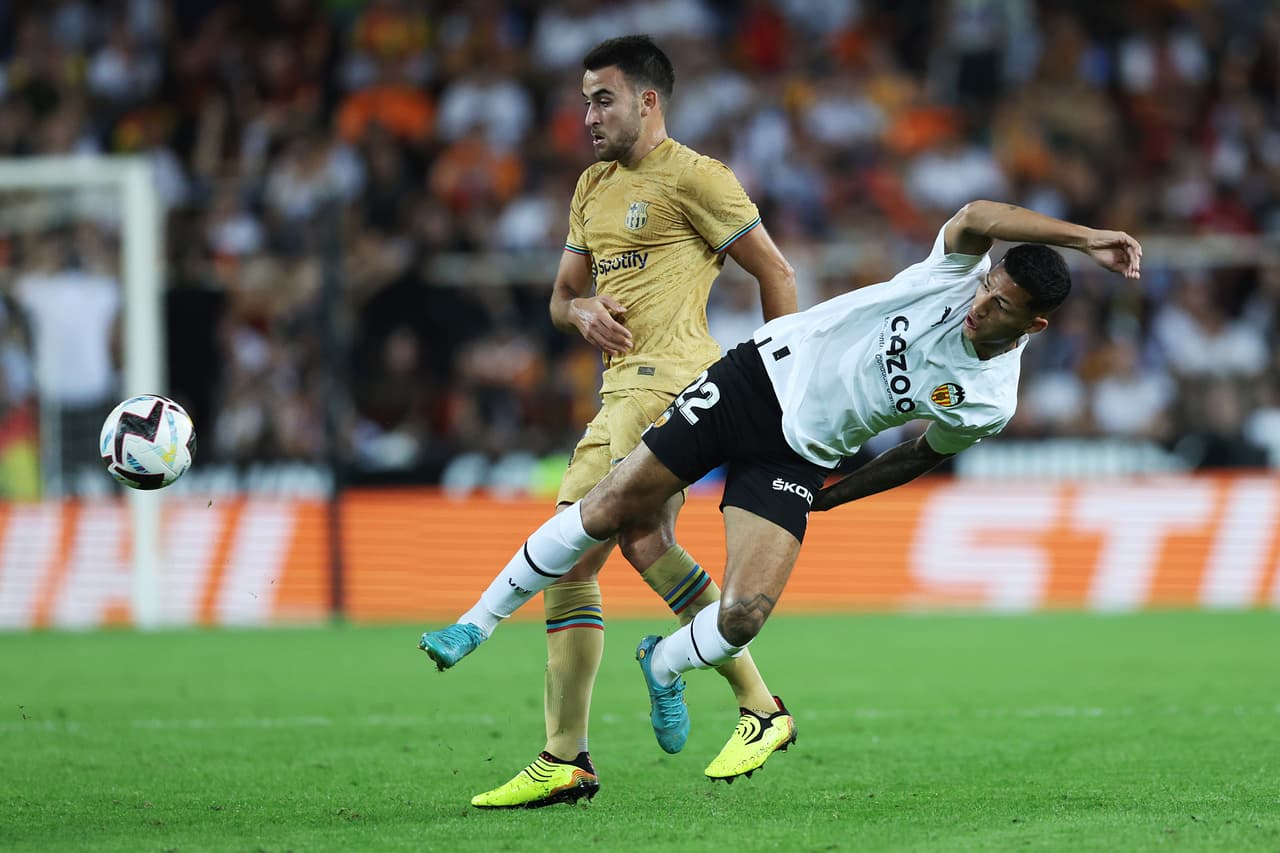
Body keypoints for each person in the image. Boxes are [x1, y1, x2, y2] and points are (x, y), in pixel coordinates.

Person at [421, 199, 1143, 785]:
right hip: (757, 379)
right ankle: (475, 623)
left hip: (802, 452)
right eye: (989, 287)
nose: (980, 305)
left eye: (1002, 304)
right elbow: (979, 214)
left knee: (744, 616)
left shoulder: (990, 398)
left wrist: (834, 494)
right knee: (612, 504)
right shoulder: (951, 277)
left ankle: (662, 662)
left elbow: (922, 452)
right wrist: (1088, 237)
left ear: (1034, 323)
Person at [420, 35, 799, 808]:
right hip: (622, 386)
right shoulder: (592, 187)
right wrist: (582, 310)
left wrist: (779, 389)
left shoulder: (696, 176)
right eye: (584, 99)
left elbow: (777, 271)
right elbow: (561, 299)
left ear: (648, 101)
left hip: (668, 385)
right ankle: (760, 706)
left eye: (604, 99)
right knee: (642, 541)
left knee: (569, 541)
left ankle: (563, 751)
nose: (588, 114)